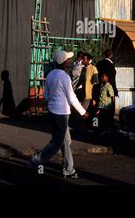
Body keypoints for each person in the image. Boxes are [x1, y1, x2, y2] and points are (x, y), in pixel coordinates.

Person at [27, 50, 89, 178]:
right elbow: (72, 97)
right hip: (62, 114)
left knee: (66, 141)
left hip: (53, 112)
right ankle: (35, 162)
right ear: (64, 63)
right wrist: (83, 112)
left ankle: (68, 169)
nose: (70, 61)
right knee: (57, 143)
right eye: (68, 60)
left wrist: (53, 102)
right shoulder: (65, 77)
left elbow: (46, 95)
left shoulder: (50, 75)